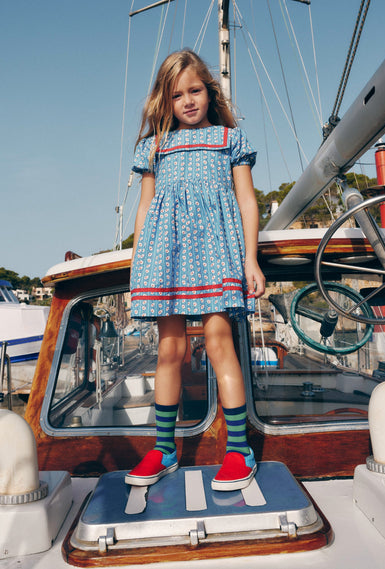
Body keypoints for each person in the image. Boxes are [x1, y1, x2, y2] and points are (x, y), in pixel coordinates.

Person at [125, 49, 265, 491]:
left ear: (210, 92)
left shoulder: (230, 141)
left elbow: (246, 201)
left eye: (195, 90)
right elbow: (145, 207)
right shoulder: (155, 147)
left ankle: (239, 451)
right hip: (165, 257)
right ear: (164, 101)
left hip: (217, 252)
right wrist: (139, 262)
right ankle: (164, 449)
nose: (187, 101)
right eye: (177, 94)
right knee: (170, 351)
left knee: (221, 344)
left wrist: (250, 258)